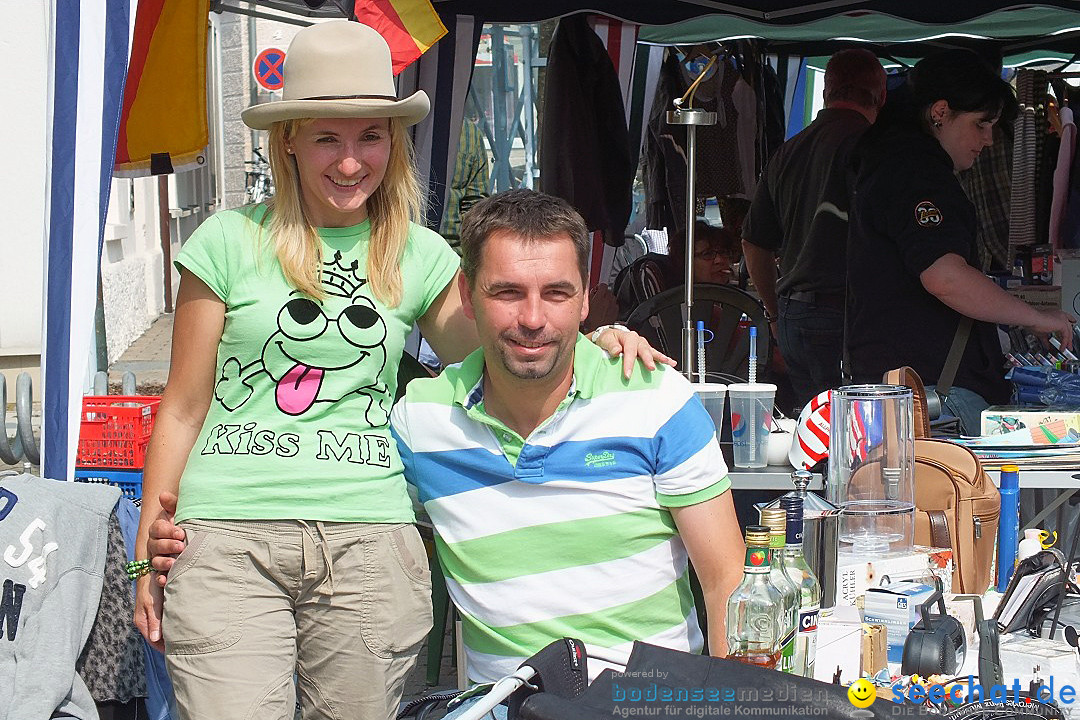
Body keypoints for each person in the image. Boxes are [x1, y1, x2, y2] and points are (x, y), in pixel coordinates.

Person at [132, 21, 667, 720]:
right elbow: (181, 407)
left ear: (394, 142)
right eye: (328, 137)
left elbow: (510, 346)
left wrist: (597, 334)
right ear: (288, 137)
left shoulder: (417, 252)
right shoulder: (227, 241)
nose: (351, 162)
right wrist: (146, 549)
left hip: (368, 541)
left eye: (371, 137)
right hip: (228, 535)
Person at [391, 189, 745, 715]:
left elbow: (726, 582)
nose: (532, 318)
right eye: (507, 292)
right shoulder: (422, 422)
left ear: (586, 299)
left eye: (556, 293)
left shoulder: (654, 398)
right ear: (467, 295)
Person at [847, 49, 1075, 434]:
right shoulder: (918, 174)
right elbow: (945, 277)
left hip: (906, 390)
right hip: (935, 398)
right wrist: (1035, 317)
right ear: (940, 113)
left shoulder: (889, 162)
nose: (988, 141)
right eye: (980, 125)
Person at [742, 49, 887, 408]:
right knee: (856, 436)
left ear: (826, 90)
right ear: (882, 96)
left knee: (817, 434)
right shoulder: (875, 147)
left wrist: (775, 312)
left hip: (795, 312)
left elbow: (754, 241)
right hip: (847, 314)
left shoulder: (788, 151)